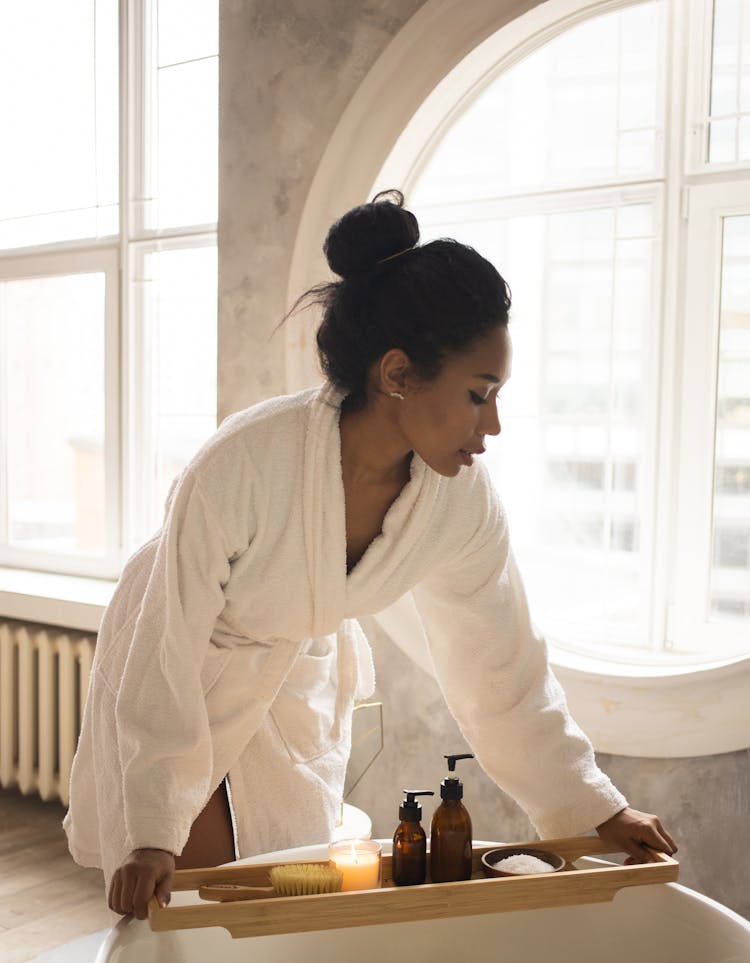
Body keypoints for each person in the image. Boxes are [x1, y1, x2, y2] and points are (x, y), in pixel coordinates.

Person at [64, 190, 676, 919]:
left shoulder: (458, 498)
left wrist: (593, 809)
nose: (497, 423)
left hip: (291, 664)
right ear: (396, 373)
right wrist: (152, 830)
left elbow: (501, 667)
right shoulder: (243, 465)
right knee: (186, 891)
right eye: (479, 394)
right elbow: (167, 647)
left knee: (281, 888)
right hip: (178, 651)